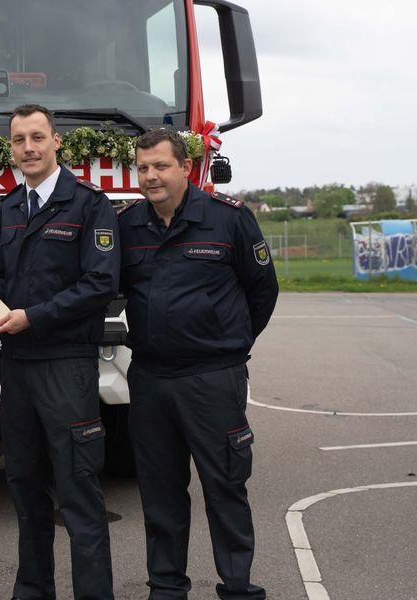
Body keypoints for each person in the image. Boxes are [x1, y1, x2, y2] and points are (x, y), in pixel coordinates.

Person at [117, 129, 279, 600]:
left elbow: (262, 290)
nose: (150, 176)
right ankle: (167, 587)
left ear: (185, 167)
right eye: (143, 168)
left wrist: (229, 343)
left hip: (212, 380)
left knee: (225, 486)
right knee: (160, 492)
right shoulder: (126, 225)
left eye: (160, 166)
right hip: (150, 379)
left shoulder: (228, 218)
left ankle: (238, 587)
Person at [0, 104, 119, 600]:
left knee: (78, 490)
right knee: (25, 487)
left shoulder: (89, 205)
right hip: (18, 367)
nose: (28, 148)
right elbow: (3, 275)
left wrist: (33, 316)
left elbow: (100, 283)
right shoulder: (12, 206)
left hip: (66, 364)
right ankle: (33, 590)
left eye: (37, 137)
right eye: (19, 140)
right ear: (11, 147)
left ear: (56, 142)